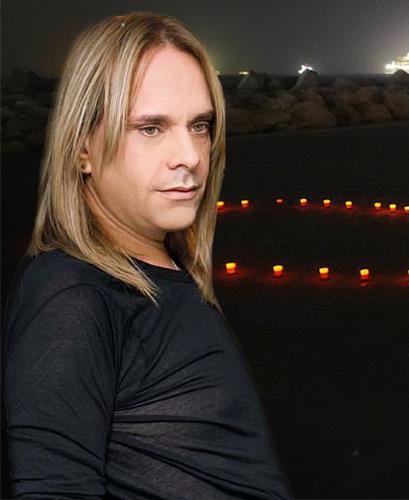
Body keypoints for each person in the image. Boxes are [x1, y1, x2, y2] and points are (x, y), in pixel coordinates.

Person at [2, 12, 292, 499]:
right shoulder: (72, 296)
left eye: (200, 125)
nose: (191, 156)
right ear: (82, 147)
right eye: (151, 128)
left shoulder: (161, 267)